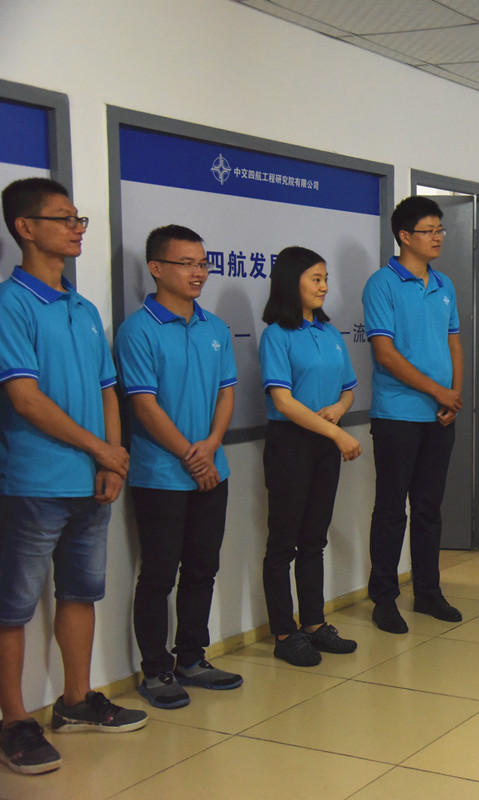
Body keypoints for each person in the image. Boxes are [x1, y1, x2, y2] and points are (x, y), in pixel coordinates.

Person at [0, 178, 146, 776]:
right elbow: (25, 398)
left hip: (92, 481)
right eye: (63, 219)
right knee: (12, 607)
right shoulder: (10, 304)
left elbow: (109, 389)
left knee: (81, 592)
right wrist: (101, 450)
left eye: (77, 218)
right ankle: (14, 720)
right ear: (25, 228)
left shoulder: (83, 309)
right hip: (34, 482)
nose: (76, 227)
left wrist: (111, 457)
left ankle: (77, 700)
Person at [115, 225, 241, 709]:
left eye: (202, 263)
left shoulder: (215, 328)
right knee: (159, 574)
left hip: (213, 470)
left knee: (202, 568)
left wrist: (211, 446)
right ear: (156, 268)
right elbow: (144, 406)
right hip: (161, 475)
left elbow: (226, 394)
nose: (198, 272)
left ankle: (192, 658)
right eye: (186, 263)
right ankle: (156, 670)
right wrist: (192, 456)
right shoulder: (138, 329)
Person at [363, 197, 463, 634]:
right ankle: (384, 599)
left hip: (439, 416)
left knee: (428, 509)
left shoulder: (444, 284)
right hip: (397, 415)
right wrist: (439, 391)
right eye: (429, 230)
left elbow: (454, 342)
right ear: (405, 236)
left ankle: (428, 592)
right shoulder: (381, 284)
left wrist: (454, 395)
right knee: (391, 510)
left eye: (440, 229)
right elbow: (385, 354)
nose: (438, 237)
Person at [260, 246, 361, 666]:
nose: (324, 286)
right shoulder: (276, 335)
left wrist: (338, 409)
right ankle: (285, 632)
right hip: (290, 443)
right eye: (315, 279)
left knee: (314, 539)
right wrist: (336, 433)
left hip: (323, 442)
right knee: (283, 542)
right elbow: (283, 401)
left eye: (325, 278)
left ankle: (314, 624)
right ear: (292, 282)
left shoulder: (329, 332)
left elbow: (349, 388)